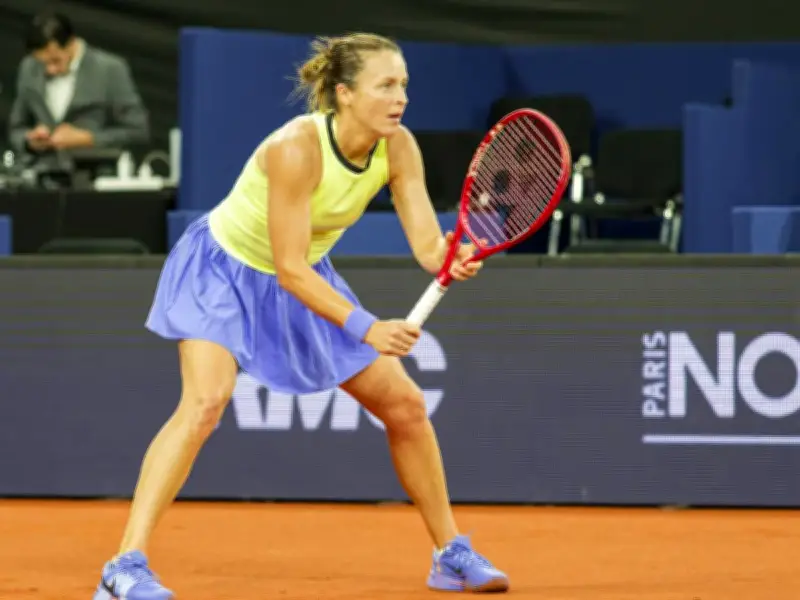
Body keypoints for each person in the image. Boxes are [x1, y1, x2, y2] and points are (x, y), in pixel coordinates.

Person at [92, 33, 510, 600]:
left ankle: (449, 554)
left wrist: (450, 257)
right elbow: (287, 269)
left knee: (406, 406)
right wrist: (366, 326)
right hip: (225, 270)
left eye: (404, 85)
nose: (400, 97)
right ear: (343, 94)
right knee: (205, 402)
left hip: (305, 276)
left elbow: (428, 246)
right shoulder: (296, 148)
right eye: (385, 85)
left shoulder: (399, 146)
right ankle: (123, 566)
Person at [7, 11, 149, 169]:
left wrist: (88, 139)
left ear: (72, 43)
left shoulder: (109, 69)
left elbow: (138, 131)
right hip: (41, 178)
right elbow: (16, 129)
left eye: (55, 61)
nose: (50, 70)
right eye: (43, 63)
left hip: (94, 178)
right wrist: (30, 141)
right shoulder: (28, 68)